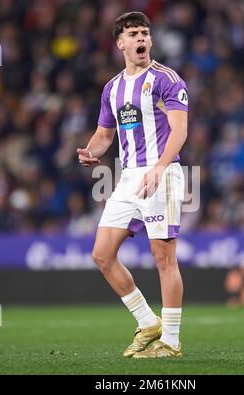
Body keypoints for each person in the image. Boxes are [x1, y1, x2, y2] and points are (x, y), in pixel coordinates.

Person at [77, 11, 188, 358]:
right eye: (133, 34)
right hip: (128, 177)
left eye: (145, 33)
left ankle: (170, 340)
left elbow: (180, 130)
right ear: (120, 44)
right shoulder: (112, 88)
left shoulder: (167, 79)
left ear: (151, 41)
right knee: (102, 254)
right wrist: (91, 151)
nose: (141, 39)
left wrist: (159, 166)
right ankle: (147, 321)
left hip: (163, 173)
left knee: (163, 258)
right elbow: (104, 134)